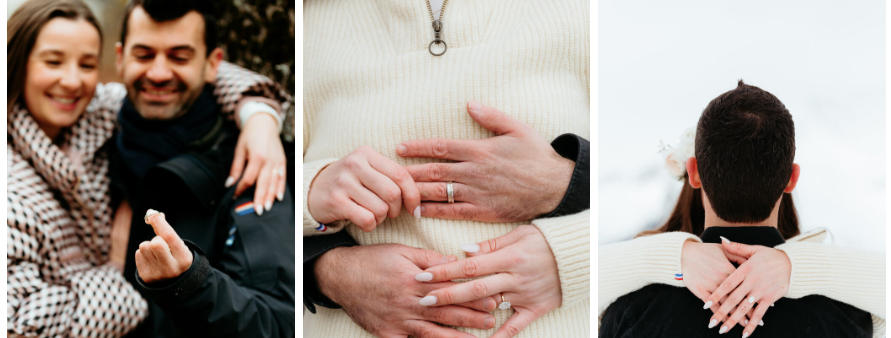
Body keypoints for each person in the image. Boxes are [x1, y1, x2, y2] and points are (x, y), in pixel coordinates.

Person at [301, 1, 590, 337]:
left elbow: (635, 181)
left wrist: (569, 255)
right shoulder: (308, 18)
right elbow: (263, 222)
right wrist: (328, 267)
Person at [6, 0, 288, 336]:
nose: (71, 80)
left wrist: (259, 115)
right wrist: (118, 279)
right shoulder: (11, 187)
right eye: (53, 61)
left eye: (86, 64)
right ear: (122, 59)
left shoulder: (98, 117)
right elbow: (14, 326)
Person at [598, 81, 879, 338]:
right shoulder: (849, 314)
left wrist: (675, 257)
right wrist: (797, 268)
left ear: (693, 173)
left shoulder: (629, 309)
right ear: (791, 179)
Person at [109, 0, 295, 337]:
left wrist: (191, 283)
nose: (159, 72)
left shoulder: (253, 163)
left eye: (179, 57)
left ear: (213, 65)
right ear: (120, 58)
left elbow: (281, 321)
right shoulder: (92, 142)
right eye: (144, 55)